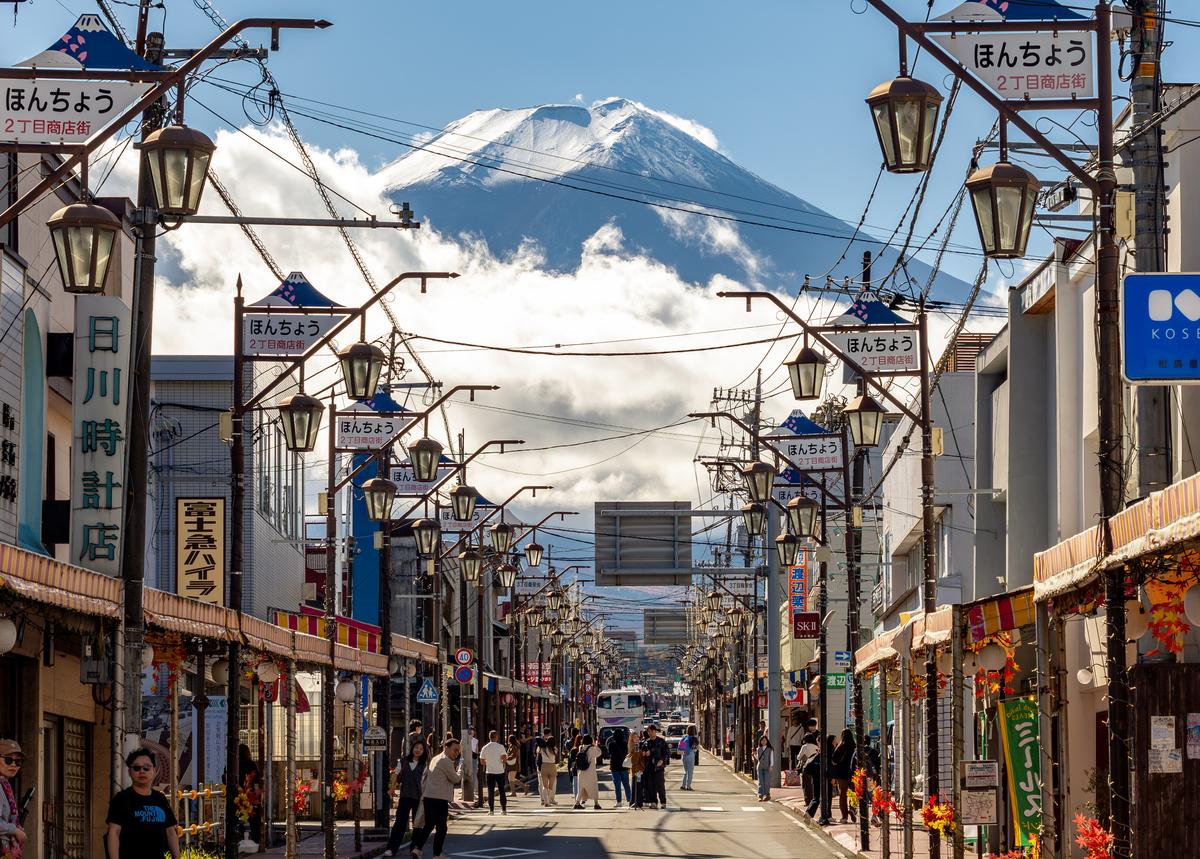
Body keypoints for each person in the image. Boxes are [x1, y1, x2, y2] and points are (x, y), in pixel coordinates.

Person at [106, 748, 180, 859]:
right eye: (136, 768)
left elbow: (170, 831)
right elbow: (114, 832)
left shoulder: (160, 799)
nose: (142, 771)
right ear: (129, 772)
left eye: (146, 767)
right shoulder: (121, 799)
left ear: (154, 771)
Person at [409, 737, 462, 859]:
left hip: (429, 796)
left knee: (429, 825)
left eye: (458, 751)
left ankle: (417, 849)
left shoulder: (435, 758)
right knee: (442, 828)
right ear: (446, 748)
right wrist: (460, 770)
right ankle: (437, 854)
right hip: (439, 798)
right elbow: (455, 779)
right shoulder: (445, 761)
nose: (456, 753)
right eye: (454, 750)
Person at [384, 740, 428, 857]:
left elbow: (426, 783)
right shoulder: (403, 761)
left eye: (421, 749)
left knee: (417, 824)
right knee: (399, 824)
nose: (418, 750)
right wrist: (392, 788)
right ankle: (391, 849)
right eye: (416, 747)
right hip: (405, 797)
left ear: (423, 752)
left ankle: (415, 849)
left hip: (418, 798)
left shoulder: (425, 765)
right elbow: (395, 775)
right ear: (412, 748)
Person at [0, 739, 26, 859]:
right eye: (8, 760)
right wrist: (14, 830)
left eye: (18, 762)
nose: (13, 765)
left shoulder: (5, 785)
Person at [237, 743, 263, 845]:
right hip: (250, 797)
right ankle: (255, 841)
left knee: (238, 820)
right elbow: (257, 781)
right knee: (254, 822)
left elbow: (225, 777)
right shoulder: (251, 764)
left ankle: (240, 840)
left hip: (237, 797)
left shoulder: (234, 763)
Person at [479, 730, 509, 815]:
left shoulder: (485, 747)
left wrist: (488, 762)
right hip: (499, 771)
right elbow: (504, 759)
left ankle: (491, 810)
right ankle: (503, 810)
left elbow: (481, 761)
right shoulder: (500, 747)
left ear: (489, 737)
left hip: (489, 771)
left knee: (490, 791)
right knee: (502, 790)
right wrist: (501, 762)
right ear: (496, 737)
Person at [830, 728, 857, 823]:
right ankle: (853, 809)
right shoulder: (854, 746)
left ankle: (844, 817)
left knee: (843, 794)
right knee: (853, 793)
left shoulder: (840, 747)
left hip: (842, 773)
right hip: (853, 773)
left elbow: (834, 760)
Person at [642, 724, 669, 810]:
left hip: (659, 768)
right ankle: (654, 802)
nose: (649, 733)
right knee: (651, 786)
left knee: (660, 786)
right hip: (649, 767)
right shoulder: (646, 742)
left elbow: (667, 753)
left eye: (650, 732)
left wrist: (662, 760)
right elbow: (642, 753)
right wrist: (645, 754)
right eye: (648, 732)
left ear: (654, 731)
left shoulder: (661, 741)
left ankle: (663, 802)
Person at [572, 735, 603, 810]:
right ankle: (596, 804)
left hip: (581, 771)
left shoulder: (581, 747)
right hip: (590, 771)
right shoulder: (591, 749)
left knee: (581, 788)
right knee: (593, 787)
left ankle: (577, 803)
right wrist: (595, 745)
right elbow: (599, 753)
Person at [535, 727, 559, 806]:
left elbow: (537, 752)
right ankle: (549, 799)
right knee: (551, 786)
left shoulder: (542, 748)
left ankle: (546, 801)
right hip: (552, 767)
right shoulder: (554, 749)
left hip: (544, 766)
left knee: (544, 786)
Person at [607, 731, 630, 807]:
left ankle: (619, 802)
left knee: (617, 786)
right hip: (624, 766)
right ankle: (630, 800)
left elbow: (609, 753)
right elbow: (627, 753)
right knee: (626, 784)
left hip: (614, 767)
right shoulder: (625, 744)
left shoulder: (611, 744)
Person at [755, 735, 775, 802]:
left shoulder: (770, 749)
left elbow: (771, 758)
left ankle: (767, 795)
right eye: (762, 740)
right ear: (760, 741)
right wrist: (754, 755)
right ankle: (760, 795)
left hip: (767, 767)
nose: (763, 741)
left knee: (767, 782)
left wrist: (771, 766)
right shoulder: (758, 749)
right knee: (761, 782)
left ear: (767, 741)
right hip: (760, 767)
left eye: (765, 740)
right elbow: (758, 758)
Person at [679, 726, 699, 791]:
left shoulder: (684, 738)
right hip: (690, 755)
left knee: (685, 771)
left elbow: (681, 749)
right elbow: (696, 748)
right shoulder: (694, 739)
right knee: (690, 772)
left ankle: (683, 785)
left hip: (684, 755)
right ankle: (688, 786)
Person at [629, 732, 645, 809]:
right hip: (636, 769)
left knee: (637, 785)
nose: (637, 739)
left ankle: (635, 801)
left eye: (638, 737)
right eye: (635, 737)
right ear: (632, 739)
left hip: (637, 769)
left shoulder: (635, 746)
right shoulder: (634, 746)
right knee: (637, 786)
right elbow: (635, 759)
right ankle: (637, 802)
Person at [567, 734, 583, 799]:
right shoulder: (583, 749)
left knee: (575, 784)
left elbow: (570, 761)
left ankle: (577, 799)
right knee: (582, 784)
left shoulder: (573, 750)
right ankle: (582, 798)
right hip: (583, 768)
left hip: (575, 768)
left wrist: (570, 769)